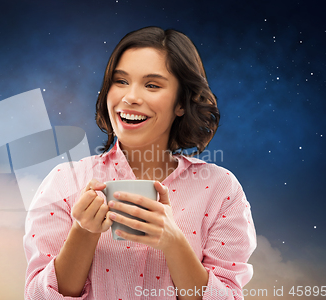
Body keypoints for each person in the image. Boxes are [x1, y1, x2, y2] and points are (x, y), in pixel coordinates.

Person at [23, 26, 256, 299]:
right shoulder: (65, 180)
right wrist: (83, 232)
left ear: (181, 103)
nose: (130, 97)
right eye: (120, 81)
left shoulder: (220, 189)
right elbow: (37, 296)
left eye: (152, 85)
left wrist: (174, 243)